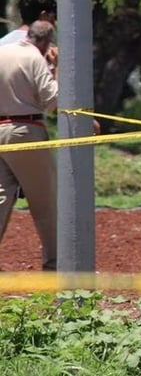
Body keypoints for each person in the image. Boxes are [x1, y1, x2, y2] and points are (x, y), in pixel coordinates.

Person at [0, 20, 60, 271]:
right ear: (46, 42)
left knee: (1, 198)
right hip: (26, 130)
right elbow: (52, 100)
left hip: (0, 129)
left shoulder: (2, 51)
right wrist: (55, 67)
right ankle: (55, 262)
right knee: (45, 201)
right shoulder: (34, 57)